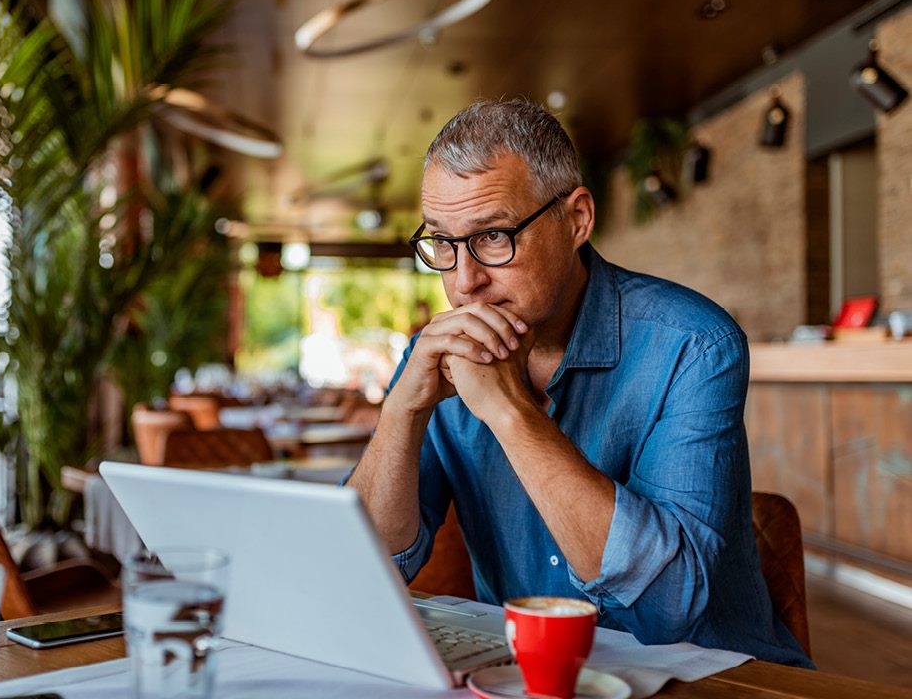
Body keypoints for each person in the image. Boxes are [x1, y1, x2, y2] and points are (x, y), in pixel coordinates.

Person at [346, 99, 811, 667]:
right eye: (442, 243)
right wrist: (401, 411)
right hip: (531, 676)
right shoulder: (438, 356)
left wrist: (512, 414)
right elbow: (361, 573)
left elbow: (668, 610)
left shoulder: (693, 344)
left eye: (493, 236)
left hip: (708, 679)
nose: (464, 282)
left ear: (577, 220)